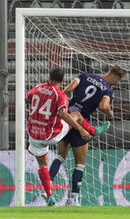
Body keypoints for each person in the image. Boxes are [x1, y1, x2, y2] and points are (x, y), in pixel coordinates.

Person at [27, 68, 109, 206]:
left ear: (49, 76)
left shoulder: (37, 87)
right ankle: (94, 132)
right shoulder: (60, 95)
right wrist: (81, 130)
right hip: (51, 135)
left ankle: (49, 195)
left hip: (34, 134)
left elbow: (27, 99)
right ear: (62, 80)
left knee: (42, 165)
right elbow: (63, 114)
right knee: (76, 115)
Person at [47, 65, 126, 206]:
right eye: (118, 81)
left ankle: (48, 185)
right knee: (80, 163)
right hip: (81, 124)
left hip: (67, 118)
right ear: (116, 78)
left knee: (60, 156)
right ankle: (73, 199)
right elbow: (103, 106)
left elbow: (67, 90)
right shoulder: (107, 90)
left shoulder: (85, 76)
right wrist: (109, 114)